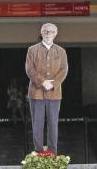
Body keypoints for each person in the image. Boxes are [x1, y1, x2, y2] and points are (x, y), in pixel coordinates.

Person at [25, 23, 68, 155]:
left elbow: (64, 70)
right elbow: (29, 69)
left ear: (56, 34)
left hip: (54, 93)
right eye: (45, 31)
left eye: (51, 31)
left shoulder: (61, 51)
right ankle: (38, 151)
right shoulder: (32, 50)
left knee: (53, 124)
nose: (48, 33)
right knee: (37, 124)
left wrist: (54, 83)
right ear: (41, 33)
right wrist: (43, 81)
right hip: (36, 93)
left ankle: (52, 153)